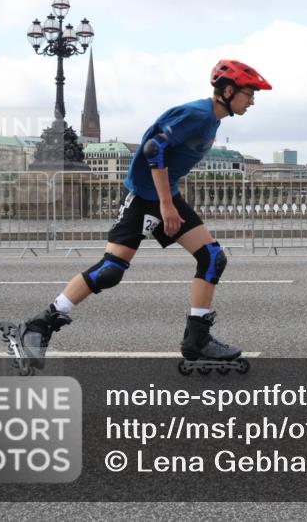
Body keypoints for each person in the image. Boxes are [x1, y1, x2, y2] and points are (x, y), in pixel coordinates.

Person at [15, 59, 271, 369]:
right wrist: (166, 205)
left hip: (165, 196)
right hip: (142, 197)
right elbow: (153, 149)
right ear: (228, 91)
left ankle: (197, 340)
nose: (252, 100)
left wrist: (168, 199)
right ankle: (38, 325)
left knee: (212, 257)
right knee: (110, 271)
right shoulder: (198, 115)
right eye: (249, 93)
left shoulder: (212, 119)